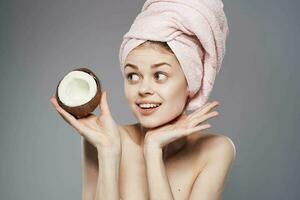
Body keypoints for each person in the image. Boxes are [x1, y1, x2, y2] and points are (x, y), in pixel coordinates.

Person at [50, 0, 236, 199]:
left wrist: (153, 151)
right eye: (133, 76)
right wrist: (108, 152)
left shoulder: (215, 150)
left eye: (160, 76)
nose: (143, 89)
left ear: (190, 82)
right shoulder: (104, 138)